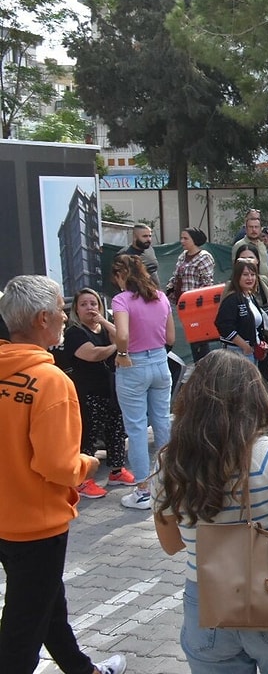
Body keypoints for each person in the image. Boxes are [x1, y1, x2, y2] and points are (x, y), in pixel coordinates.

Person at [152, 351, 268, 674]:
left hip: (205, 601)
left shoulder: (167, 463)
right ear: (252, 399)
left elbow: (171, 544)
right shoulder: (266, 453)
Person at [0, 276, 128, 674]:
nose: (63, 317)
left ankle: (83, 669)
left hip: (6, 519)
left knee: (46, 606)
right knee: (22, 630)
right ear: (42, 318)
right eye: (59, 309)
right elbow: (58, 467)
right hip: (37, 524)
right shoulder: (51, 381)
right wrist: (89, 464)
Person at [110, 254, 175, 510]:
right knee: (162, 424)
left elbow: (122, 334)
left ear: (120, 275)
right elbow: (170, 336)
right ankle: (169, 485)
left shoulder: (121, 299)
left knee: (136, 429)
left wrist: (122, 353)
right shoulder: (160, 297)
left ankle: (142, 491)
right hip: (160, 361)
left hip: (133, 365)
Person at [64, 288, 133, 498]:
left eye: (93, 303)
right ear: (76, 309)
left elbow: (122, 336)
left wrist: (103, 321)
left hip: (110, 389)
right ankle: (83, 481)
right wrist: (116, 347)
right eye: (84, 304)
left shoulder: (102, 327)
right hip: (88, 392)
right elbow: (93, 354)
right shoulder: (74, 332)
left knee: (116, 430)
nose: (89, 308)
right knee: (89, 436)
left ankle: (116, 470)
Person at [166, 227, 216, 361]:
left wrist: (198, 302)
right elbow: (175, 276)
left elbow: (207, 283)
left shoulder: (204, 257)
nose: (182, 241)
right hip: (181, 303)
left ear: (195, 240)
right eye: (181, 238)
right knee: (191, 337)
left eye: (186, 238)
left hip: (196, 305)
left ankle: (203, 368)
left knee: (199, 339)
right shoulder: (183, 256)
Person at [215, 259, 268, 364]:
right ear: (237, 277)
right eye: (245, 274)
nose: (250, 278)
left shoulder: (250, 296)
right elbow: (223, 325)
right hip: (236, 352)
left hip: (252, 350)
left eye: (252, 274)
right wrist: (245, 346)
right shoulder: (232, 298)